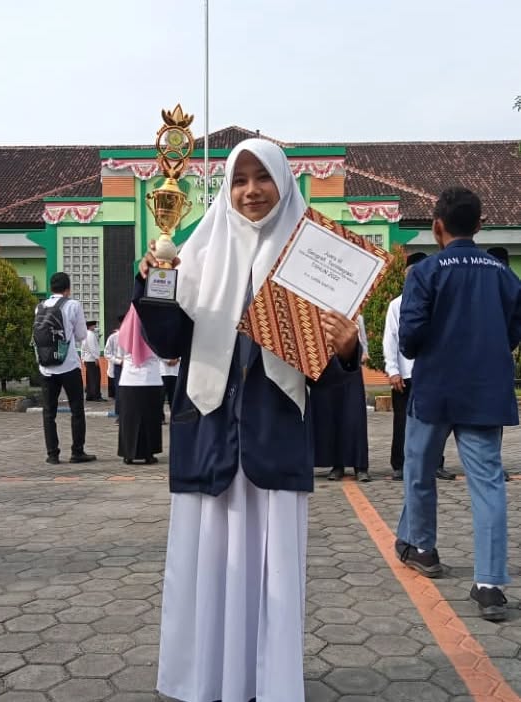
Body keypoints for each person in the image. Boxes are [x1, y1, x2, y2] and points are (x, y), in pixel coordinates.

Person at [134, 139, 361, 702]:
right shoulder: (199, 254)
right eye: (240, 180)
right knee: (206, 562)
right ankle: (203, 678)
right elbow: (169, 343)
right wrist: (156, 283)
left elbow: (326, 379)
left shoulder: (313, 262)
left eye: (263, 178)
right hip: (209, 430)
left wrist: (345, 349)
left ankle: (268, 683)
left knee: (271, 569)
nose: (251, 191)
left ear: (284, 184)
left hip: (274, 434)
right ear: (227, 190)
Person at [395, 187, 521, 622]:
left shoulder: (426, 272)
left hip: (435, 389)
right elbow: (514, 329)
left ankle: (423, 549)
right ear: (480, 225)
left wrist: (424, 349)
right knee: (488, 483)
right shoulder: (503, 274)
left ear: (437, 227)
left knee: (419, 470)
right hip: (485, 392)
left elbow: (410, 335)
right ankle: (489, 584)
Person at [383, 253, 456, 481]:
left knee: (436, 420)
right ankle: (400, 465)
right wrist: (393, 370)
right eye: (411, 273)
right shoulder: (397, 304)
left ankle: (435, 463)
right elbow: (390, 339)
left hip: (433, 373)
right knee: (402, 422)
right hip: (405, 375)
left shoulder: (437, 303)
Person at [37, 272, 96, 465]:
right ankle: (77, 452)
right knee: (77, 410)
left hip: (46, 367)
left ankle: (52, 454)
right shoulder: (73, 305)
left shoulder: (40, 307)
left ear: (51, 288)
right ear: (68, 289)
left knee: (49, 412)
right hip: (68, 365)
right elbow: (81, 335)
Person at [311, 313, 370, 482]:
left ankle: (361, 466)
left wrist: (363, 352)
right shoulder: (320, 315)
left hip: (351, 369)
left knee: (355, 418)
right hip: (328, 369)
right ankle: (337, 465)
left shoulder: (356, 315)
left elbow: (362, 340)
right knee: (332, 418)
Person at [117, 305, 164, 465]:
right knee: (150, 419)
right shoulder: (155, 330)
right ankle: (148, 454)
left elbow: (120, 354)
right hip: (151, 379)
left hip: (128, 380)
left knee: (128, 420)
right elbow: (162, 353)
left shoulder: (123, 332)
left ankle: (128, 454)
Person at [487, 246, 515, 482]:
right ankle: (492, 465)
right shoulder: (509, 282)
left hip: (467, 361)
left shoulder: (481, 284)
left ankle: (434, 463)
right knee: (492, 418)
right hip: (497, 362)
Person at [104, 314, 125, 419]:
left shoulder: (135, 336)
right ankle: (119, 415)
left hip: (132, 366)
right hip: (119, 366)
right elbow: (107, 353)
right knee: (120, 391)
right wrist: (119, 361)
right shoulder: (113, 337)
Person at [81, 320, 103, 401]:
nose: (95, 327)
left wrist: (83, 358)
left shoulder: (85, 334)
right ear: (90, 326)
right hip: (92, 359)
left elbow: (82, 348)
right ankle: (96, 396)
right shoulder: (91, 335)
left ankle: (89, 395)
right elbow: (92, 347)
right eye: (94, 325)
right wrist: (96, 358)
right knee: (95, 378)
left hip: (87, 359)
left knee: (90, 378)